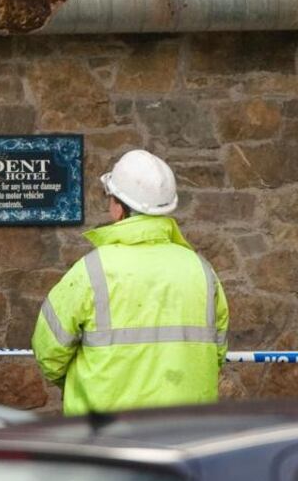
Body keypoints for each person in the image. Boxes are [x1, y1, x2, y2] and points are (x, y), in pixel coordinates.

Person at [32, 149, 229, 416]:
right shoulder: (201, 271)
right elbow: (217, 353)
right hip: (186, 431)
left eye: (109, 197)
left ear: (119, 208)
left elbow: (49, 351)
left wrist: (80, 386)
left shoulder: (91, 271)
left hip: (106, 435)